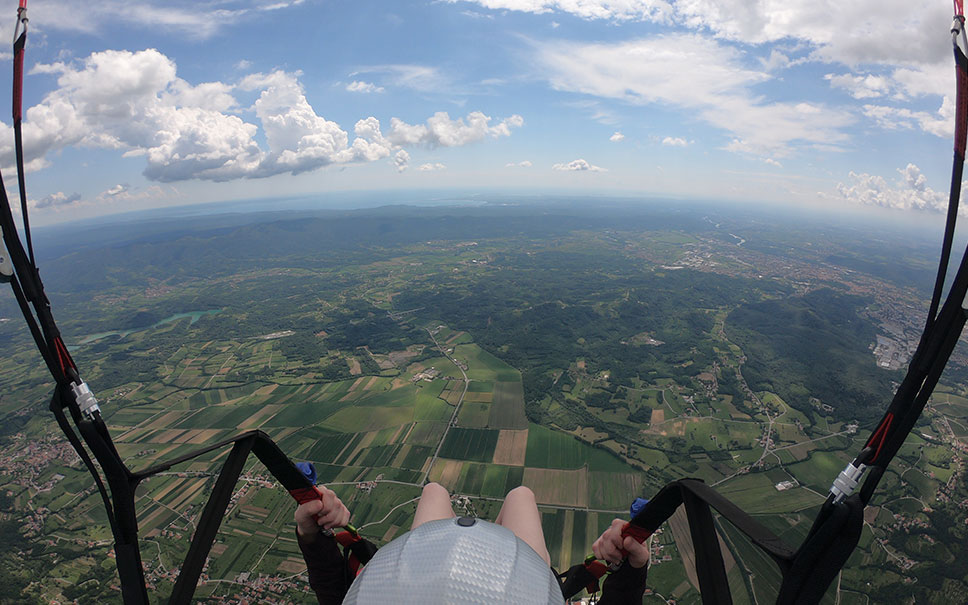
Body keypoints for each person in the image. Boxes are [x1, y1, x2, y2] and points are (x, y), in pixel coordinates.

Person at [295, 482, 650, 604]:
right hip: (521, 585)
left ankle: (494, 535)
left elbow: (339, 596)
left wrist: (314, 537)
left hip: (422, 572)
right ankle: (494, 535)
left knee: (434, 491)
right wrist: (630, 569)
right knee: (521, 496)